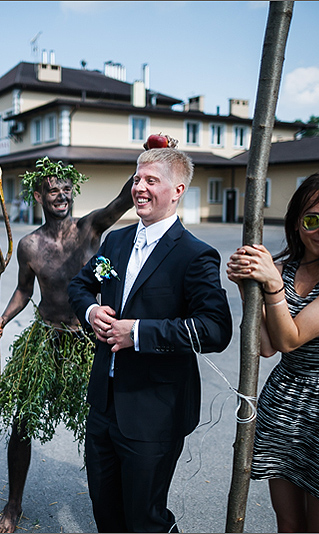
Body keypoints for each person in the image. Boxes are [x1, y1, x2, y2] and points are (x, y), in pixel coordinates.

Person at [68, 148, 232, 532]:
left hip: (154, 411)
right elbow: (80, 285)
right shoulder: (116, 242)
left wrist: (137, 332)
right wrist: (92, 312)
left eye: (150, 181)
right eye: (137, 179)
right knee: (105, 511)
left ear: (177, 190)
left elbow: (215, 328)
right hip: (104, 404)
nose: (139, 188)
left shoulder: (195, 255)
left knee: (145, 518)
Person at [0, 157, 133, 533]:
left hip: (88, 341)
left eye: (67, 189)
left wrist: (146, 166)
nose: (62, 195)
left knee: (104, 423)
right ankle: (13, 504)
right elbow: (23, 289)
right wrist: (2, 319)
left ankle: (117, 504)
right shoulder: (29, 245)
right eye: (53, 189)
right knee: (22, 421)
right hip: (46, 340)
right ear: (38, 195)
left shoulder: (91, 228)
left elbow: (122, 200)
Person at [226, 172, 319, 533]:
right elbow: (265, 346)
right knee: (289, 524)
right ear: (296, 221)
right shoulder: (281, 270)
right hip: (284, 399)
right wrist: (246, 288)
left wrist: (271, 287)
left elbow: (290, 339)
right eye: (313, 220)